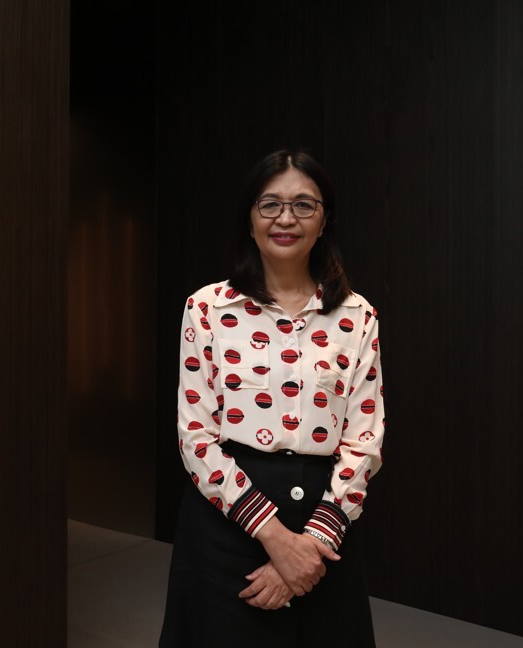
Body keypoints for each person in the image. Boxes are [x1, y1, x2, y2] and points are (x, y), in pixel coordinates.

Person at [159, 150, 384, 646]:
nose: (286, 218)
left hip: (325, 522)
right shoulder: (207, 308)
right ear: (250, 218)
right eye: (270, 205)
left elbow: (365, 439)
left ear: (325, 220)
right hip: (227, 517)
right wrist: (276, 539)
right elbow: (195, 436)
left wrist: (310, 546)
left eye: (304, 205)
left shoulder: (356, 315)